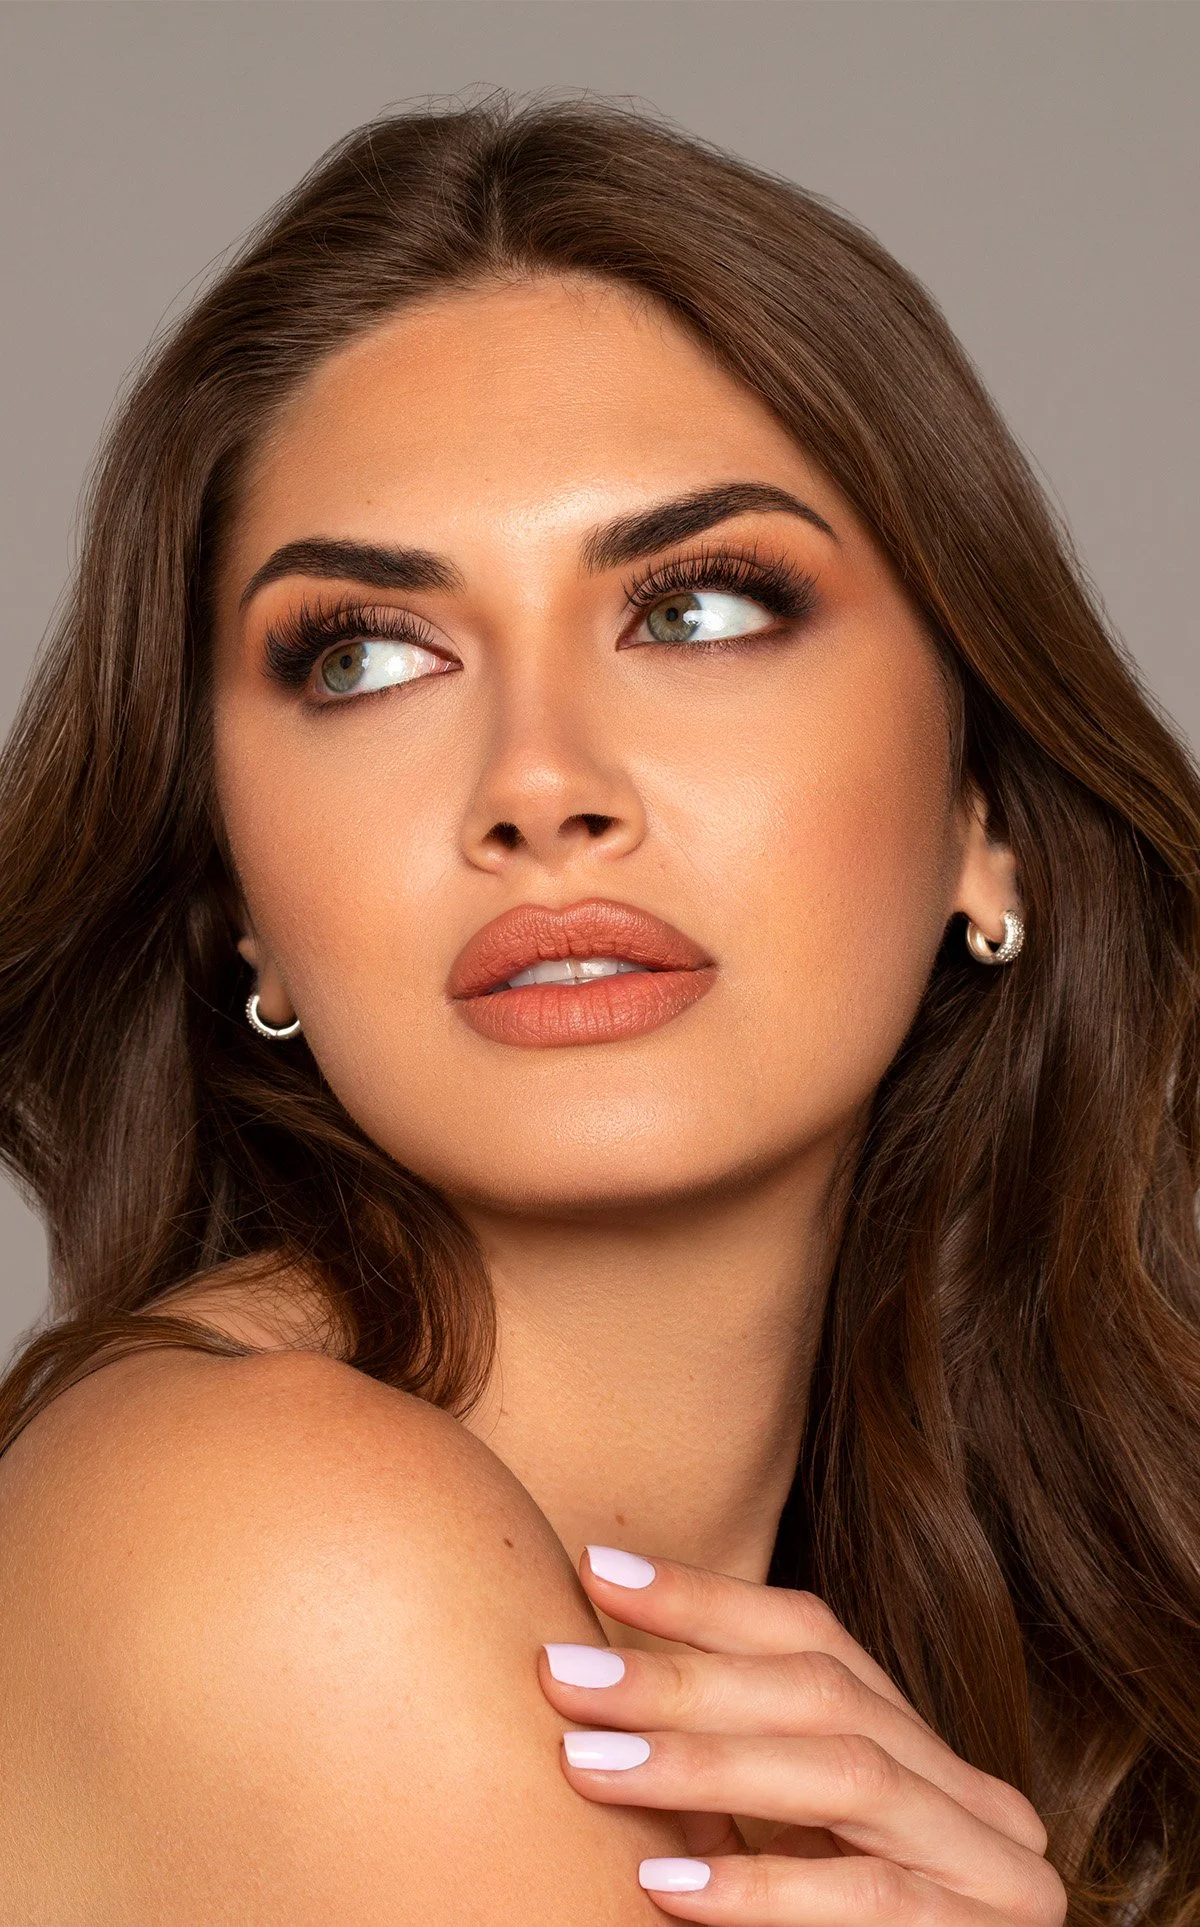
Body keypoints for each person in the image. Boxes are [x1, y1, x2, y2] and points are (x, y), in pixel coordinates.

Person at [0, 91, 1194, 1925]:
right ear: (243, 903)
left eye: (698, 611)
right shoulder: (279, 1552)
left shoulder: (962, 1647)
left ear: (987, 813)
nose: (541, 784)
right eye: (367, 655)